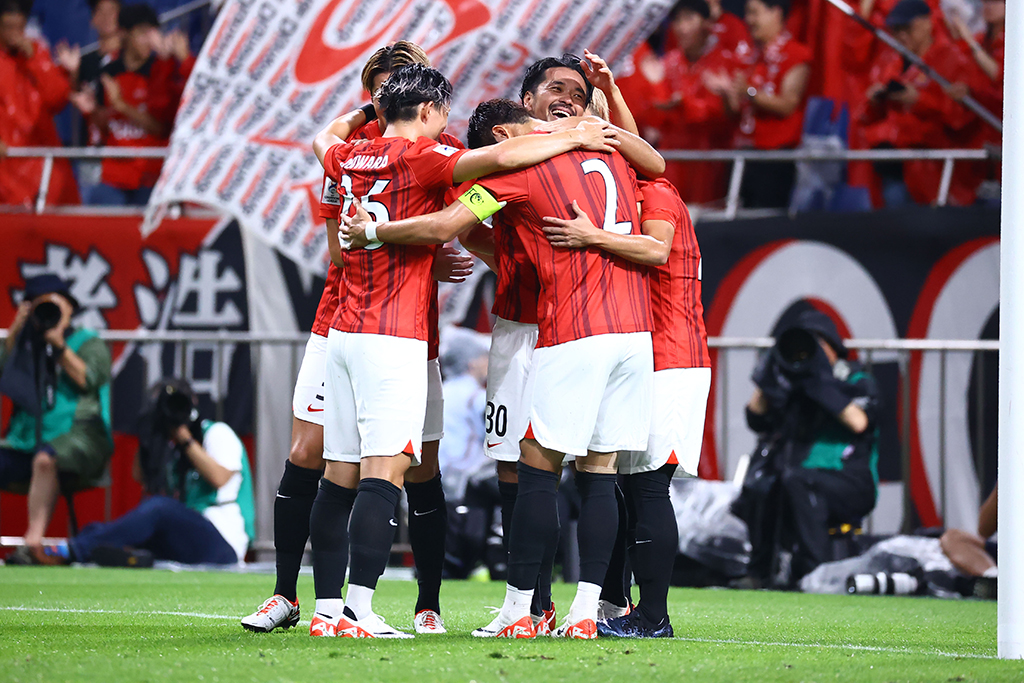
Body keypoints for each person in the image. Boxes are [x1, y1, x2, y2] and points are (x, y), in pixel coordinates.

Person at [307, 65, 617, 639]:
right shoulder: (421, 157)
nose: (445, 125)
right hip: (395, 335)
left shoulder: (346, 157)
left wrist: (362, 115)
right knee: (385, 471)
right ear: (427, 113)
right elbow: (494, 164)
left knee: (338, 474)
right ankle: (359, 609)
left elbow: (323, 135)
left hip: (343, 335)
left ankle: (326, 611)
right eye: (443, 114)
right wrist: (576, 133)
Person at [241, 41, 471, 638]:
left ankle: (421, 603)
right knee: (326, 459)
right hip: (363, 322)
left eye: (393, 83)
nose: (381, 94)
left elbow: (468, 236)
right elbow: (339, 249)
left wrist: (415, 244)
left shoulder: (378, 154)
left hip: (399, 328)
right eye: (375, 86)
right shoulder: (390, 157)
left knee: (413, 466)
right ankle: (302, 598)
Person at [541, 177, 710, 637]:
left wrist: (589, 235)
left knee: (650, 488)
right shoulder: (627, 193)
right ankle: (622, 606)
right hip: (646, 356)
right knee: (622, 487)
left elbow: (656, 250)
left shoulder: (656, 193)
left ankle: (654, 617)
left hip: (673, 358)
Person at [16, 379, 254, 566]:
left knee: (159, 508)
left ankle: (71, 550)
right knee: (103, 531)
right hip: (188, 537)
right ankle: (98, 552)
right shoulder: (169, 447)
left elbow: (219, 477)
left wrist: (183, 437)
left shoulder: (216, 432)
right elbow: (140, 476)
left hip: (224, 542)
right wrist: (150, 434)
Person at [733, 309, 879, 586]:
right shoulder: (793, 385)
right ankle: (759, 573)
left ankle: (814, 575)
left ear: (833, 346)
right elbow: (756, 418)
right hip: (796, 477)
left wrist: (821, 384)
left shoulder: (856, 381)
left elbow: (859, 422)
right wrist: (768, 375)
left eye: (816, 344)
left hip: (851, 481)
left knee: (799, 481)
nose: (808, 352)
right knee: (763, 482)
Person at [0, 274, 112, 558]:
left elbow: (90, 378)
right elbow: (5, 376)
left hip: (79, 437)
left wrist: (57, 341)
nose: (47, 312)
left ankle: (32, 545)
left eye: (54, 306)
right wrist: (18, 330)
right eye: (40, 306)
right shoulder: (23, 345)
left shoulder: (88, 341)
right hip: (24, 440)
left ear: (70, 308)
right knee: (35, 456)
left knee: (45, 459)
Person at [856, 0, 977, 206]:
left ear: (926, 24)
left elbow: (962, 118)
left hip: (936, 170)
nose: (901, 35)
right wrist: (874, 101)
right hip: (894, 167)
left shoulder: (951, 59)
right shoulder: (888, 61)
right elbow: (864, 118)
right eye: (896, 29)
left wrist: (919, 100)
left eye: (907, 28)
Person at [73, 3, 193, 206]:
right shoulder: (109, 73)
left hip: (150, 177)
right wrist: (93, 112)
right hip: (113, 175)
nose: (149, 41)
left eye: (153, 33)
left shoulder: (161, 71)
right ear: (124, 35)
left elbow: (161, 127)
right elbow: (106, 129)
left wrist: (122, 106)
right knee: (97, 226)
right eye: (142, 34)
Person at [714, 0, 811, 209]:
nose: (749, 21)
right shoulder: (748, 57)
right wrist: (725, 94)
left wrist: (749, 93)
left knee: (765, 224)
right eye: (747, 14)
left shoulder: (796, 54)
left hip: (774, 159)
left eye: (754, 13)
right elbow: (734, 113)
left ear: (775, 13)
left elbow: (788, 104)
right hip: (741, 155)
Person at [658, 0, 741, 205]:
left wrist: (684, 103)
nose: (681, 27)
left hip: (709, 162)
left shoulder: (725, 62)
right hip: (672, 160)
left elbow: (726, 115)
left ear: (707, 24)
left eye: (688, 19)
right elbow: (652, 107)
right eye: (677, 20)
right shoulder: (668, 63)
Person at [0, 0, 80, 207]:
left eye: (19, 27)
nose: (14, 34)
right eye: (8, 27)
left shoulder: (38, 53)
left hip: (40, 158)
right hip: (6, 162)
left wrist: (35, 59)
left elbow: (57, 99)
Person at [939, 482, 997, 599]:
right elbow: (984, 530)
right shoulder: (1014, 474)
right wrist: (1004, 481)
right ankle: (993, 580)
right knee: (953, 538)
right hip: (1013, 554)